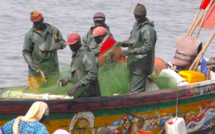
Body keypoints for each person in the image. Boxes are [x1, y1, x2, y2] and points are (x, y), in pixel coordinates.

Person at [115, 3, 157, 93]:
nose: (137, 19)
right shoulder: (136, 26)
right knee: (132, 89)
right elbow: (132, 40)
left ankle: (138, 106)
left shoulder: (148, 29)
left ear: (144, 16)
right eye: (136, 16)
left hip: (141, 67)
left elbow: (148, 47)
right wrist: (121, 43)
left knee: (135, 91)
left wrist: (131, 51)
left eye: (140, 17)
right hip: (134, 64)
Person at [22, 10, 66, 89]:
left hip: (53, 71)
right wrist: (30, 63)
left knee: (53, 91)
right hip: (36, 72)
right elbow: (26, 52)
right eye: (35, 23)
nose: (37, 25)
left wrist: (59, 44)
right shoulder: (30, 35)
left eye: (39, 22)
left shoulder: (54, 31)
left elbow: (63, 43)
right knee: (35, 94)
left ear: (42, 19)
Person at [57, 33, 101, 98]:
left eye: (73, 45)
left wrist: (76, 85)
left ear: (79, 42)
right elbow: (81, 75)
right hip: (80, 96)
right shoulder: (76, 55)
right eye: (70, 45)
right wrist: (67, 80)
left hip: (90, 96)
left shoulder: (87, 55)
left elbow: (93, 74)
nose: (71, 47)